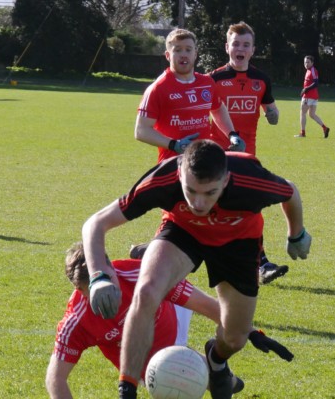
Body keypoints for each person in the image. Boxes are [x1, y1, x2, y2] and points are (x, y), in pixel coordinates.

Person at [81, 140, 311, 399]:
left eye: (210, 193)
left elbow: (290, 192)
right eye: (190, 191)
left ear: (226, 180)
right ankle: (127, 390)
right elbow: (95, 223)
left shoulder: (250, 179)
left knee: (234, 339)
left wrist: (297, 234)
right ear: (180, 174)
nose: (199, 203)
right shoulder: (164, 178)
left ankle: (216, 360)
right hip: (183, 232)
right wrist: (98, 275)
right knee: (146, 292)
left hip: (239, 243)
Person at [46, 242, 293, 399]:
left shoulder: (142, 278)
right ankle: (222, 377)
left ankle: (155, 254)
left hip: (173, 317)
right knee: (190, 383)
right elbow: (55, 379)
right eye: (94, 292)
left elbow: (209, 307)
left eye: (108, 281)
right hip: (143, 363)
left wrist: (251, 331)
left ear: (111, 267)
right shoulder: (77, 322)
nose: (107, 295)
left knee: (209, 380)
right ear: (79, 290)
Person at [207, 21, 288, 284]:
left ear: (253, 50)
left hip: (247, 158)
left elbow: (271, 111)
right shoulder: (213, 79)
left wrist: (273, 114)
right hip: (216, 157)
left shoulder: (261, 80)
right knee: (208, 209)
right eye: (236, 44)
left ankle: (261, 263)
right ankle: (161, 248)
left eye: (246, 45)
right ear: (227, 47)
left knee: (250, 208)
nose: (240, 49)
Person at [134, 28, 244, 165]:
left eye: (188, 49)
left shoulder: (207, 82)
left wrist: (232, 134)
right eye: (178, 50)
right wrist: (174, 144)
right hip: (173, 165)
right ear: (168, 55)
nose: (184, 55)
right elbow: (141, 130)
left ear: (195, 54)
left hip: (204, 162)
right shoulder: (158, 88)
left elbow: (218, 109)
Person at [297, 55, 330, 138]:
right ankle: (325, 128)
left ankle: (302, 133)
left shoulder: (312, 70)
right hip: (314, 97)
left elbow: (316, 83)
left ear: (312, 63)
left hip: (309, 96)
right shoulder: (308, 70)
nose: (306, 64)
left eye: (308, 62)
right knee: (311, 114)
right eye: (305, 62)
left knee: (302, 113)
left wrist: (306, 89)